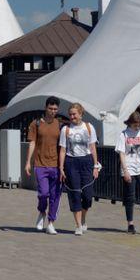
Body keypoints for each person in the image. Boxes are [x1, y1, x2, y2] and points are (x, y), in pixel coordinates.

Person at [58, 102, 100, 236]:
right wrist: (61, 168)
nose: (72, 117)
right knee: (75, 193)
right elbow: (63, 150)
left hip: (86, 161)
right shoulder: (66, 130)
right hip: (71, 162)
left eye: (74, 114)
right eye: (70, 114)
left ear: (81, 114)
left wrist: (95, 166)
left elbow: (93, 147)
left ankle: (83, 218)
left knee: (87, 195)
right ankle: (78, 225)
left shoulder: (89, 127)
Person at [25, 97, 62, 234]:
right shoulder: (36, 124)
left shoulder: (60, 124)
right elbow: (32, 142)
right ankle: (42, 211)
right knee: (43, 193)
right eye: (50, 109)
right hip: (40, 164)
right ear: (45, 108)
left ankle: (51, 223)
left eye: (55, 109)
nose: (53, 111)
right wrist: (28, 162)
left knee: (55, 195)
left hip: (56, 165)